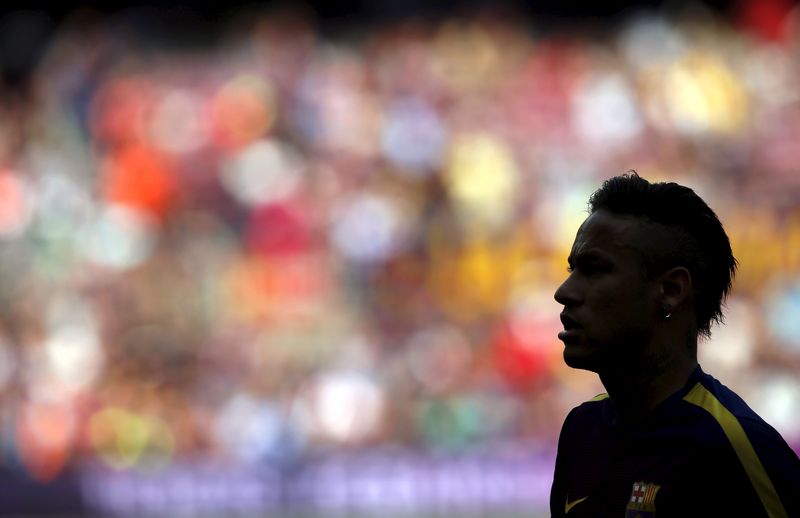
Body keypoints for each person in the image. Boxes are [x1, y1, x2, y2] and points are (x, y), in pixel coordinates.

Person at [550, 172, 800, 517]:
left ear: (670, 291)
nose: (564, 292)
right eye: (572, 269)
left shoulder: (735, 449)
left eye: (594, 270)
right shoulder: (582, 430)